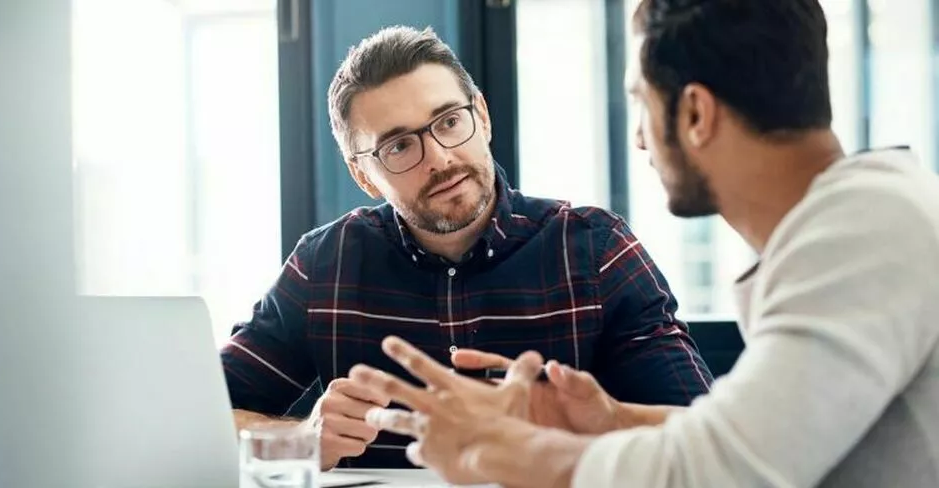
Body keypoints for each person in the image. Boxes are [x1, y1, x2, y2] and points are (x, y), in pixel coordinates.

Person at [353, 1, 939, 486]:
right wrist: (607, 419)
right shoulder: (867, 219)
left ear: (695, 114)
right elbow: (759, 439)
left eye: (641, 102)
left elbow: (720, 474)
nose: (637, 138)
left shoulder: (865, 231)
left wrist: (506, 450)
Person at [220, 25, 713, 470]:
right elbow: (202, 417)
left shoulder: (597, 250)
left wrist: (595, 424)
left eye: (450, 121)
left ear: (483, 116)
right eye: (399, 146)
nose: (439, 157)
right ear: (362, 175)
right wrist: (300, 439)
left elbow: (705, 440)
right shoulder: (323, 265)